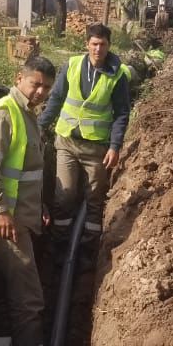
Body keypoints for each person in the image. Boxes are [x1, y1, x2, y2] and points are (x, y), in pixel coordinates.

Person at [0, 54, 69, 346]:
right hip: (5, 224)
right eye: (35, 84)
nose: (41, 91)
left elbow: (25, 172)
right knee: (29, 301)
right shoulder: (3, 113)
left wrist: (38, 205)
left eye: (46, 86)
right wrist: (2, 211)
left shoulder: (28, 115)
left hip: (19, 218)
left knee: (4, 293)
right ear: (20, 78)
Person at [38, 22, 131, 269]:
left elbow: (122, 113)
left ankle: (88, 252)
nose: (98, 49)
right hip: (67, 142)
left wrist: (115, 146)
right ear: (86, 44)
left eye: (102, 44)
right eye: (94, 44)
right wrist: (38, 127)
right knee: (64, 197)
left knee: (93, 201)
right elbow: (56, 99)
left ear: (109, 46)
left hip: (96, 149)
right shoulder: (72, 65)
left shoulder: (117, 74)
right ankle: (59, 245)